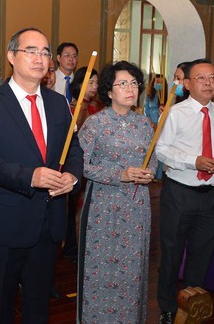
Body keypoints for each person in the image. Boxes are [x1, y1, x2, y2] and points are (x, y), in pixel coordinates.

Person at [0, 27, 83, 323]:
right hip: (7, 221)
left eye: (45, 52)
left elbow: (73, 151)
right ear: (11, 56)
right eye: (30, 51)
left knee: (38, 302)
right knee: (2, 303)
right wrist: (30, 177)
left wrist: (72, 177)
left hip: (49, 222)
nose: (39, 58)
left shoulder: (59, 104)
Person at [155, 59, 214, 324]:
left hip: (211, 196)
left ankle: (191, 304)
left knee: (202, 255)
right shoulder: (174, 113)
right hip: (179, 193)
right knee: (171, 253)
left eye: (212, 78)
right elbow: (162, 150)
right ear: (187, 83)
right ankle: (168, 307)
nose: (208, 83)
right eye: (201, 78)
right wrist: (195, 161)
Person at [77, 60, 156, 323]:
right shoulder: (95, 124)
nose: (130, 88)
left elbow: (152, 159)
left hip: (137, 206)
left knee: (132, 268)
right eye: (123, 83)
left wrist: (149, 172)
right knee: (100, 268)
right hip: (103, 205)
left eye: (134, 83)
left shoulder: (144, 124)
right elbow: (82, 166)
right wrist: (119, 175)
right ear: (109, 91)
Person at [61, 66, 103, 263]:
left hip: (95, 164)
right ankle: (72, 246)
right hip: (77, 163)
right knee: (73, 208)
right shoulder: (73, 107)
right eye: (90, 82)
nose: (94, 87)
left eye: (96, 82)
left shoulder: (98, 106)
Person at [144, 73, 168, 180]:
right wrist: (151, 124)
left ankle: (158, 177)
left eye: (161, 83)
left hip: (162, 128)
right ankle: (149, 174)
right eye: (156, 82)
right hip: (151, 127)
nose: (158, 84)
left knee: (160, 151)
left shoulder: (167, 98)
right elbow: (146, 111)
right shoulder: (150, 97)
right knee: (150, 151)